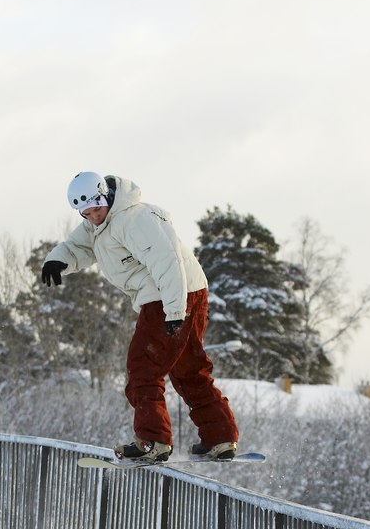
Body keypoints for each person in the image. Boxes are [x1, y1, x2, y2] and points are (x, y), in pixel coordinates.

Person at [41, 171, 239, 462]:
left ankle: (153, 440)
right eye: (85, 214)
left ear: (105, 196)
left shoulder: (132, 220)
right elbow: (78, 246)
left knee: (142, 368)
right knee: (188, 369)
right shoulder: (100, 223)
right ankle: (220, 437)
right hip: (186, 293)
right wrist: (57, 260)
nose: (92, 217)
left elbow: (166, 261)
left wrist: (174, 311)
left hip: (168, 296)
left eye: (96, 209)